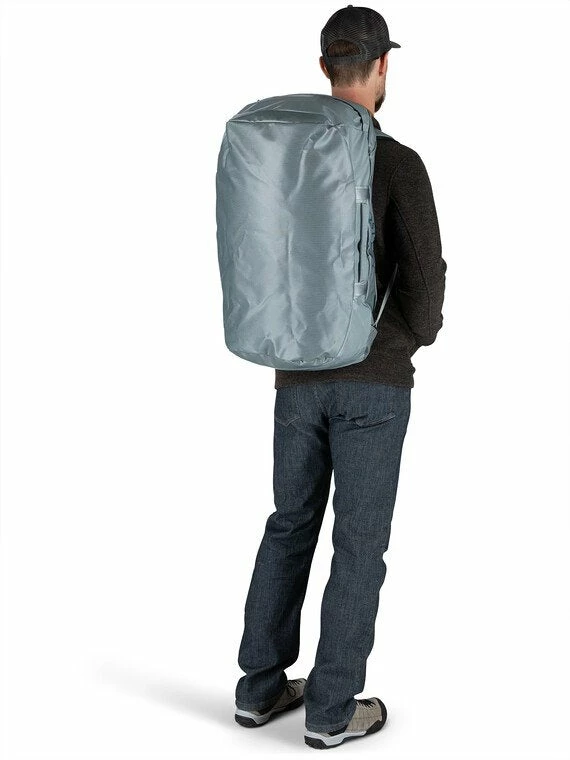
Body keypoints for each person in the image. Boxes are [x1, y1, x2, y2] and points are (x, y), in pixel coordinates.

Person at [233, 5, 447, 750]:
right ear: (383, 65)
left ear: (325, 67)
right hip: (374, 384)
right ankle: (330, 711)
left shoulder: (283, 162)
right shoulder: (398, 163)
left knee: (288, 523)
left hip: (294, 375)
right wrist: (412, 338)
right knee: (358, 544)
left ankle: (259, 689)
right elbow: (426, 283)